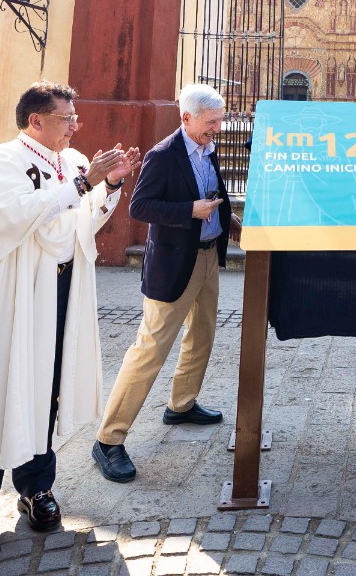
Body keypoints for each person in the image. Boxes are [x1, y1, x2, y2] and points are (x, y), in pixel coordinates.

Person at [0, 83, 140, 551]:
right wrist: (82, 183)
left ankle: (37, 489)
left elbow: (83, 221)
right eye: (67, 117)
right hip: (13, 293)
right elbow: (7, 216)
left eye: (74, 116)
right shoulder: (5, 161)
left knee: (44, 390)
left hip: (59, 289)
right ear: (36, 120)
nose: (76, 124)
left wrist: (108, 184)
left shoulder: (74, 162)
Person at [92, 83, 234, 483]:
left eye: (220, 121)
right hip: (172, 265)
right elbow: (140, 207)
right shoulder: (162, 155)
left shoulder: (207, 147)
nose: (217, 129)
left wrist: (228, 222)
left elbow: (215, 191)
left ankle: (182, 404)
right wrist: (190, 210)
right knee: (150, 349)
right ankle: (108, 439)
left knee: (202, 335)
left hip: (206, 258)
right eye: (211, 122)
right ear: (186, 118)